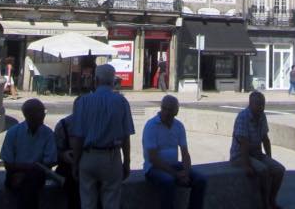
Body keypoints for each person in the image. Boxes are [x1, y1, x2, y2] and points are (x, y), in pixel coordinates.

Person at [71, 63, 135, 209]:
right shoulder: (121, 102)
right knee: (111, 202)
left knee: (87, 202)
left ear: (96, 80)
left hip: (89, 156)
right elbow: (126, 136)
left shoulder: (83, 101)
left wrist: (75, 162)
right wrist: (127, 162)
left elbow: (78, 137)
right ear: (113, 81)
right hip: (112, 156)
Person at [142, 95, 206, 209]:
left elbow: (185, 153)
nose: (166, 112)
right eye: (164, 108)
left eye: (170, 110)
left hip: (174, 166)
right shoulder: (151, 126)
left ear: (176, 111)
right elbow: (153, 158)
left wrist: (186, 172)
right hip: (153, 168)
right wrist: (176, 174)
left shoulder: (179, 126)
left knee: (201, 180)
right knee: (168, 182)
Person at [229, 91, 285, 209]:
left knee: (279, 170)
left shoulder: (262, 116)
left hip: (256, 153)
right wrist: (246, 165)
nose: (261, 107)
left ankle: (271, 200)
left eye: (263, 104)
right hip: (240, 155)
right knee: (263, 170)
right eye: (258, 104)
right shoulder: (242, 117)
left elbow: (265, 139)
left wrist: (269, 157)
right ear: (250, 104)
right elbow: (243, 144)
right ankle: (264, 204)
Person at [0, 99, 57, 208]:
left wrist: (25, 173)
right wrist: (28, 169)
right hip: (16, 173)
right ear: (28, 115)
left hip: (37, 174)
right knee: (27, 185)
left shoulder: (48, 134)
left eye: (43, 112)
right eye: (40, 112)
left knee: (30, 183)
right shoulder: (13, 133)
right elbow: (7, 163)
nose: (43, 115)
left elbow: (50, 162)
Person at [54, 98, 81, 209]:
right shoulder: (64, 125)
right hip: (68, 167)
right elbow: (54, 152)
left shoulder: (63, 124)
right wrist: (63, 155)